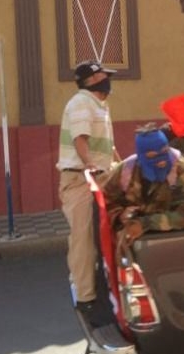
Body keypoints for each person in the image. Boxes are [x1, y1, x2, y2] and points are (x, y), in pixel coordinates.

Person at [56, 60, 121, 314]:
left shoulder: (99, 105)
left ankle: (106, 286)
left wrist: (119, 165)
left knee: (105, 233)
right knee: (83, 238)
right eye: (105, 75)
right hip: (81, 180)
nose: (108, 79)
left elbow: (107, 145)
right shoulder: (81, 102)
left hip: (99, 177)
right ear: (93, 79)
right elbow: (80, 138)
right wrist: (90, 165)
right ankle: (85, 298)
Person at [103, 125, 184, 247]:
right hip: (130, 241)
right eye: (152, 156)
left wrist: (145, 224)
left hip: (170, 241)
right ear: (141, 156)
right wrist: (120, 215)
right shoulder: (126, 170)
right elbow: (104, 202)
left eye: (164, 153)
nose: (161, 161)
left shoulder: (182, 170)